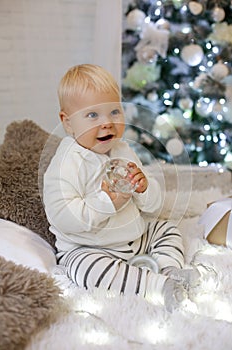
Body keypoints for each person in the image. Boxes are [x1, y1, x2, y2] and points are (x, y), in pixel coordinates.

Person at [43, 64, 199, 311]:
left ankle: (171, 269)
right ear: (68, 122)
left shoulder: (123, 150)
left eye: (114, 112)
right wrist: (107, 201)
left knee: (167, 228)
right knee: (86, 269)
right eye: (92, 115)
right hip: (91, 248)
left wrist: (144, 188)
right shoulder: (65, 163)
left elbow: (153, 208)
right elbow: (63, 217)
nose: (107, 123)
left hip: (135, 239)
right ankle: (159, 286)